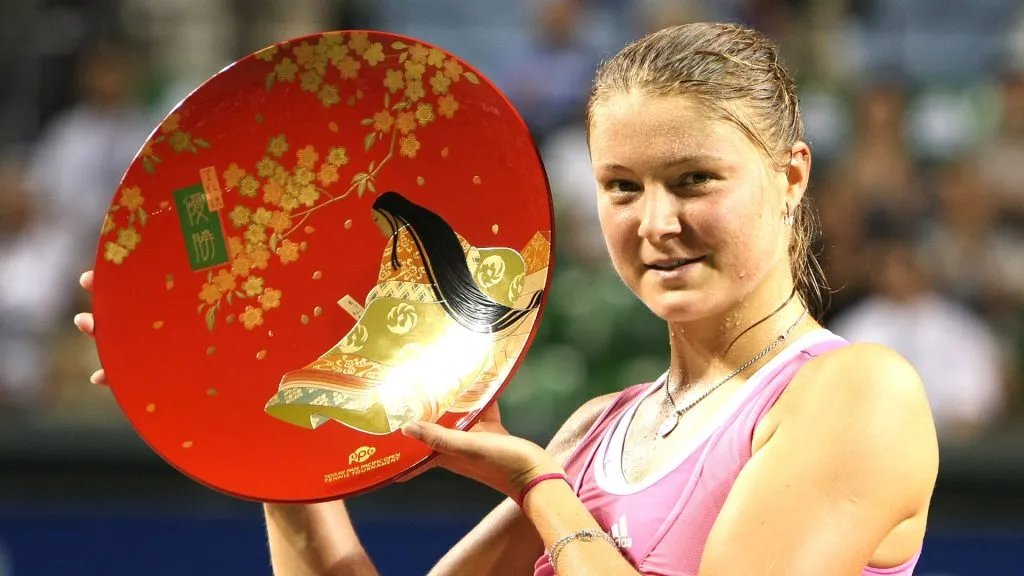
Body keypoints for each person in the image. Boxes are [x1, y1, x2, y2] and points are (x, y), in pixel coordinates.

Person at [73, 22, 938, 576]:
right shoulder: (599, 431)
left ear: (791, 176)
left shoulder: (858, 393)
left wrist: (540, 488)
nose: (657, 222)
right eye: (623, 187)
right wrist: (264, 442)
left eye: (694, 180)